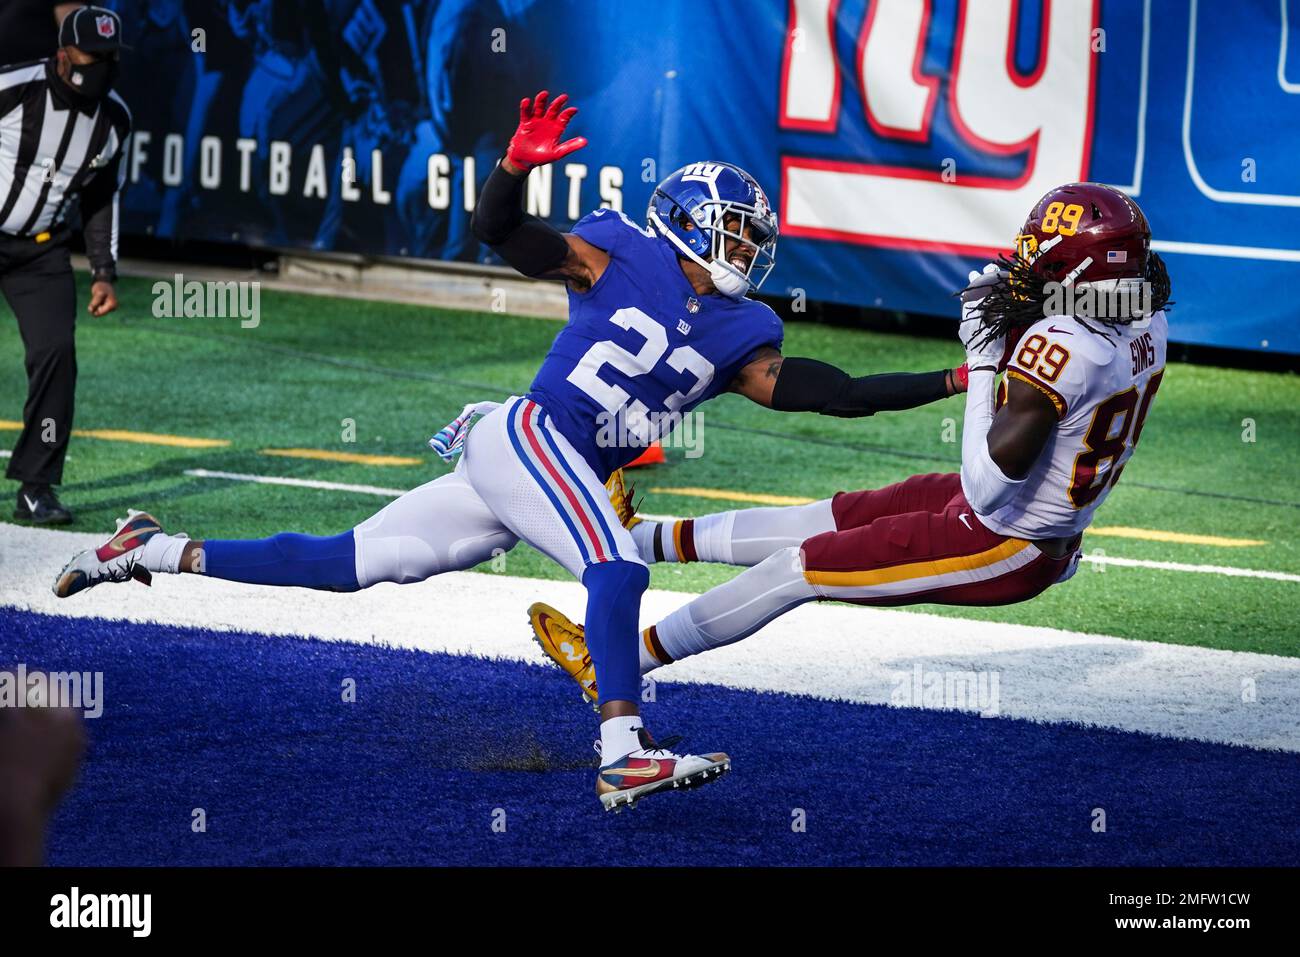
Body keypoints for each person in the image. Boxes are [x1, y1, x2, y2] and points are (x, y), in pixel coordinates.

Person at [51, 90, 966, 811]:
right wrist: (513, 170)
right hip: (532, 435)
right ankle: (623, 753)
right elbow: (505, 236)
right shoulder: (618, 250)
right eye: (736, 230)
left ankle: (152, 549)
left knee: (349, 563)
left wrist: (950, 382)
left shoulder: (743, 326)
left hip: (538, 468)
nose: (748, 248)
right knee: (614, 567)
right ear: (688, 221)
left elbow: (833, 393)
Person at [528, 183, 1171, 699]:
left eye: (1044, 263)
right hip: (1021, 504)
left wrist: (980, 362)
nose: (1024, 270)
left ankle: (620, 661)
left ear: (1077, 278)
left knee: (797, 569)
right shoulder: (1148, 315)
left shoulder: (1062, 348)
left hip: (1010, 538)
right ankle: (640, 538)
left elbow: (986, 479)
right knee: (835, 514)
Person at [2, 5, 130, 524]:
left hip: (41, 248)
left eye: (110, 56)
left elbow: (102, 194)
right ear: (62, 54)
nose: (100, 64)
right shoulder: (14, 86)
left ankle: (36, 486)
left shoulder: (115, 118)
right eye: (90, 54)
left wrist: (103, 269)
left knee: (57, 355)